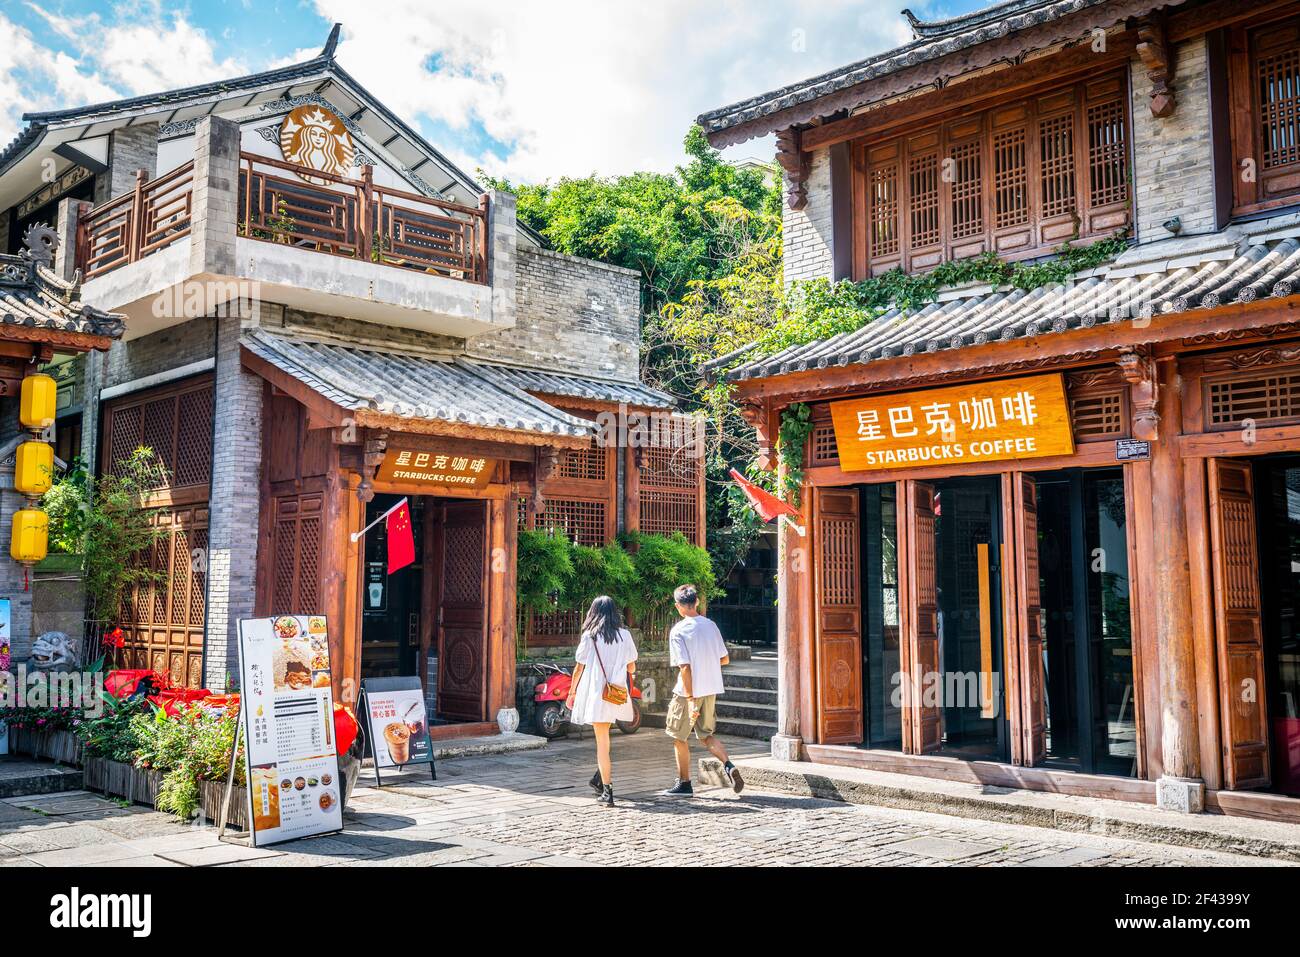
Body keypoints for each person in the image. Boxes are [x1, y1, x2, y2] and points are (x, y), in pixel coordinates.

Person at [662, 584, 744, 796]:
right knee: (707, 736)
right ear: (696, 602)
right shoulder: (711, 625)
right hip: (711, 688)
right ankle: (728, 765)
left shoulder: (678, 630)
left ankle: (684, 783)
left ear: (678, 606)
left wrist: (689, 699)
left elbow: (685, 667)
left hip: (689, 692)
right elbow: (724, 658)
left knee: (678, 737)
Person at [565, 595, 638, 807]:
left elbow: (580, 667)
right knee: (605, 741)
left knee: (602, 743)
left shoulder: (590, 636)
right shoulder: (625, 635)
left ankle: (607, 791)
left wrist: (572, 692)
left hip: (597, 695)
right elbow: (632, 667)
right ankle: (599, 778)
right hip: (616, 694)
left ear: (593, 612)